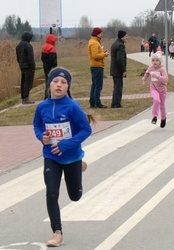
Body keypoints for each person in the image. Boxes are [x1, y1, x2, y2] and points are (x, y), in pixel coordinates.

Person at [33, 67, 96, 247]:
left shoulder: (72, 107)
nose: (59, 85)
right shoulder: (42, 107)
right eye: (55, 81)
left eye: (63, 82)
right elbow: (37, 126)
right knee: (51, 192)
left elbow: (86, 129)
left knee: (75, 196)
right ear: (49, 85)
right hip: (51, 156)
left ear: (68, 87)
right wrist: (42, 138)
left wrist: (65, 145)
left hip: (71, 156)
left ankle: (79, 165)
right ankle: (57, 232)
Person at [142, 52, 168, 128]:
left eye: (157, 60)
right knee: (156, 100)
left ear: (160, 61)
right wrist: (144, 80)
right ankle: (155, 117)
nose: (155, 62)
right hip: (153, 87)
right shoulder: (151, 68)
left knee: (162, 105)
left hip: (162, 89)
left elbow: (166, 79)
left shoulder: (162, 69)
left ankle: (163, 118)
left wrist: (157, 77)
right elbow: (147, 73)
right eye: (153, 60)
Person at [88, 27, 109, 108]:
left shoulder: (94, 41)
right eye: (101, 33)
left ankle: (92, 101)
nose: (102, 35)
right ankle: (97, 102)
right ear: (97, 34)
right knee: (98, 85)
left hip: (95, 66)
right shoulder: (94, 43)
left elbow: (96, 54)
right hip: (97, 66)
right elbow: (95, 56)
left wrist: (103, 52)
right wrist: (105, 54)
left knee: (94, 84)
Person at [16, 31, 35, 104]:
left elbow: (18, 58)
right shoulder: (28, 46)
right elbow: (30, 58)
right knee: (28, 82)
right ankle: (26, 97)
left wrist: (21, 64)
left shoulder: (18, 46)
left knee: (23, 82)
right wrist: (33, 67)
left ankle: (23, 97)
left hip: (22, 66)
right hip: (28, 67)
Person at [110, 30, 128, 108]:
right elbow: (120, 59)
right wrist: (123, 70)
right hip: (118, 70)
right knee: (118, 87)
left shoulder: (114, 44)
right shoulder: (120, 45)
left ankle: (114, 103)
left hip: (114, 69)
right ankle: (117, 104)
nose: (127, 38)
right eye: (126, 36)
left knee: (116, 87)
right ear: (122, 37)